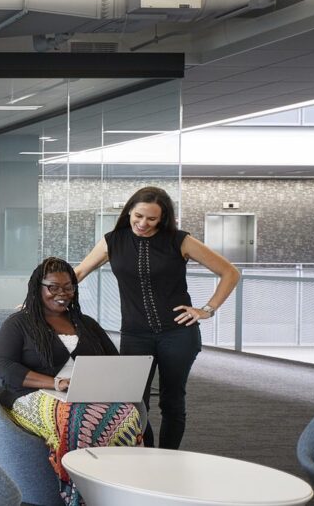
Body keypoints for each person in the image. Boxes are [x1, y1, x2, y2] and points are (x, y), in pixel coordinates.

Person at [74, 186, 240, 450]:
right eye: (138, 216)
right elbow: (79, 272)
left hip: (178, 334)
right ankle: (146, 453)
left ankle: (169, 456)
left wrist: (207, 309)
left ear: (163, 219)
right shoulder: (113, 241)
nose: (143, 223)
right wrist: (38, 297)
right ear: (129, 211)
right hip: (135, 334)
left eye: (151, 219)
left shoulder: (179, 240)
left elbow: (230, 272)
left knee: (172, 400)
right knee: (134, 401)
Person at [0, 257, 144, 506]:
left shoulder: (87, 324)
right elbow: (4, 366)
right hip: (34, 395)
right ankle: (80, 497)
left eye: (68, 287)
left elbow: (113, 361)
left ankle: (120, 491)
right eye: (53, 287)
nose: (61, 293)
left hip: (87, 394)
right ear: (38, 288)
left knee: (126, 412)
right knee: (78, 419)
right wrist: (55, 383)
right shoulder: (19, 323)